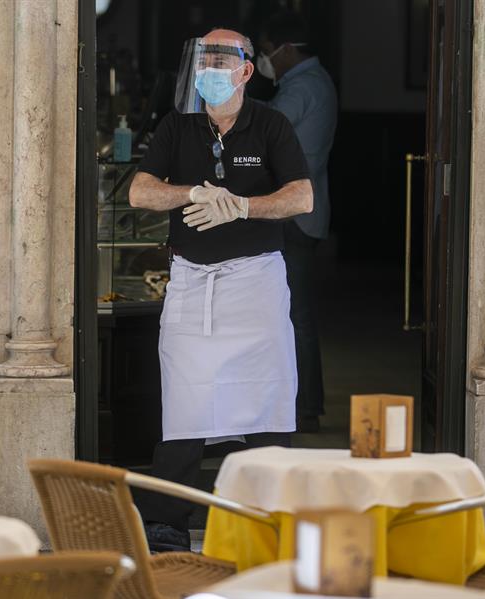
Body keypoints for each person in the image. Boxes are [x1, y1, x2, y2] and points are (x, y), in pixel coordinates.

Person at [129, 28, 313, 551]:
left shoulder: (270, 124)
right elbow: (142, 191)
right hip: (192, 281)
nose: (209, 66)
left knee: (267, 400)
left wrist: (242, 204)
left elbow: (302, 197)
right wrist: (194, 192)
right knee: (184, 401)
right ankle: (166, 521)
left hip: (255, 282)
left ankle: (269, 517)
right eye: (203, 56)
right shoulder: (178, 125)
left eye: (220, 57)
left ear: (246, 70)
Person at [257, 11, 337, 432]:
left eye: (266, 51)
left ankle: (305, 408)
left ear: (286, 49)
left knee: (296, 315)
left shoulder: (303, 86)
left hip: (295, 213)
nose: (265, 59)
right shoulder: (306, 83)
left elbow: (268, 130)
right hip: (302, 209)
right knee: (293, 312)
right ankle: (300, 404)